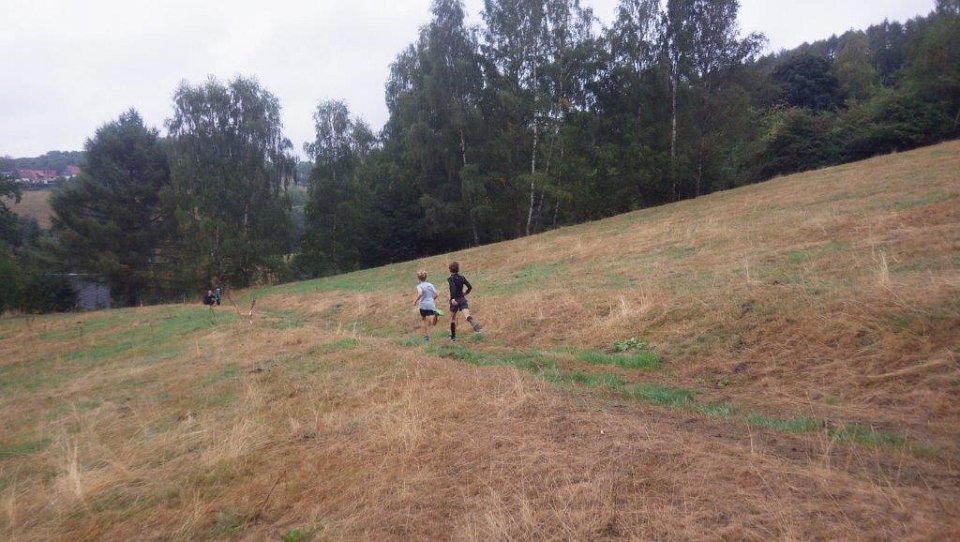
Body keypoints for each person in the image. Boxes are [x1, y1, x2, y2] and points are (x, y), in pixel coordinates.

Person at [447, 261, 481, 340]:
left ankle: (453, 337)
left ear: (450, 270)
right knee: (467, 315)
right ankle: (477, 329)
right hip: (462, 299)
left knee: (453, 318)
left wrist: (453, 299)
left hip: (454, 301)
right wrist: (465, 293)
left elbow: (453, 288)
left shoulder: (450, 279)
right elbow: (469, 287)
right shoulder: (462, 277)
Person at [414, 270, 440, 342]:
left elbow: (420, 293)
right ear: (426, 277)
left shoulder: (419, 286)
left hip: (423, 305)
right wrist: (433, 299)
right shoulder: (430, 284)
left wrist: (415, 301)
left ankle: (426, 337)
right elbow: (436, 294)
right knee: (433, 323)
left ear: (418, 278)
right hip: (431, 304)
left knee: (424, 319)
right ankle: (436, 315)